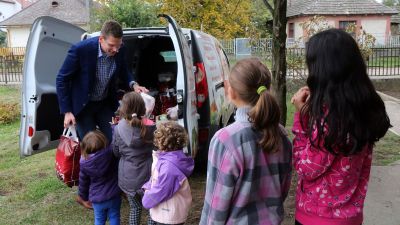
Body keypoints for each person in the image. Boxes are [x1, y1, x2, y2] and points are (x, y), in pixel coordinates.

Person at [290, 29, 391, 225]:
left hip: (317, 218)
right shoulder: (365, 109)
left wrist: (301, 118)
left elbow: (304, 168)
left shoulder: (330, 121)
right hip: (351, 218)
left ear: (323, 71)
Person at [200, 58, 293, 225]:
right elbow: (283, 190)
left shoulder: (225, 140)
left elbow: (216, 208)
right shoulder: (283, 135)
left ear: (232, 92)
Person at [56, 20, 148, 142]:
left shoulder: (120, 49)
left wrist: (134, 85)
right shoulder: (80, 50)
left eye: (118, 45)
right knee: (93, 145)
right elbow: (62, 79)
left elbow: (124, 71)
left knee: (116, 140)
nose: (115, 49)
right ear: (101, 39)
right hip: (83, 107)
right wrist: (67, 111)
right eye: (111, 45)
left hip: (104, 104)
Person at [112, 92, 156, 225]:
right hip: (149, 176)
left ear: (124, 109)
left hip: (128, 178)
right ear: (143, 108)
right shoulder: (152, 127)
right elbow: (157, 149)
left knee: (135, 208)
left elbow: (116, 152)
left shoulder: (118, 128)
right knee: (152, 210)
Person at [142, 121, 194, 225]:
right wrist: (148, 186)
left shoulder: (168, 167)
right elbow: (155, 177)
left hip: (168, 214)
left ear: (162, 142)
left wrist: (147, 199)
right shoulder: (169, 159)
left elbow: (162, 190)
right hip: (170, 210)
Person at [78, 130, 121, 225]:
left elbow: (83, 183)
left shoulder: (84, 163)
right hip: (114, 194)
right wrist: (114, 128)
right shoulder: (111, 154)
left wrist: (84, 197)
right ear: (104, 142)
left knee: (99, 220)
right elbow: (115, 141)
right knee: (114, 216)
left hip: (97, 200)